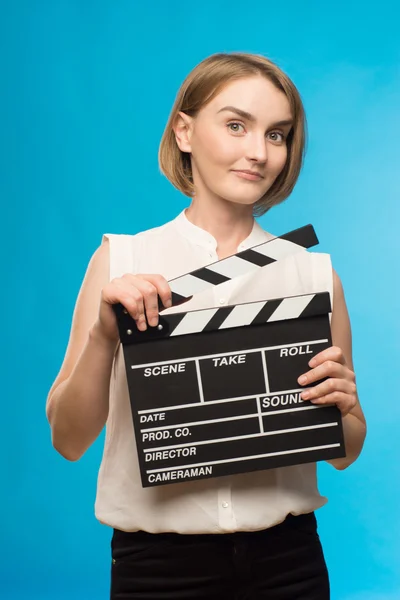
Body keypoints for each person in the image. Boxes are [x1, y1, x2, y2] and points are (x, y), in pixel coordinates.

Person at [46, 52, 367, 599]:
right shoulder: (120, 262)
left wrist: (344, 408)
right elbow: (69, 440)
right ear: (185, 130)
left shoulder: (313, 273)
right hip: (158, 567)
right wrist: (105, 333)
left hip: (288, 561)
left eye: (277, 134)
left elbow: (345, 451)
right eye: (236, 125)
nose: (257, 152)